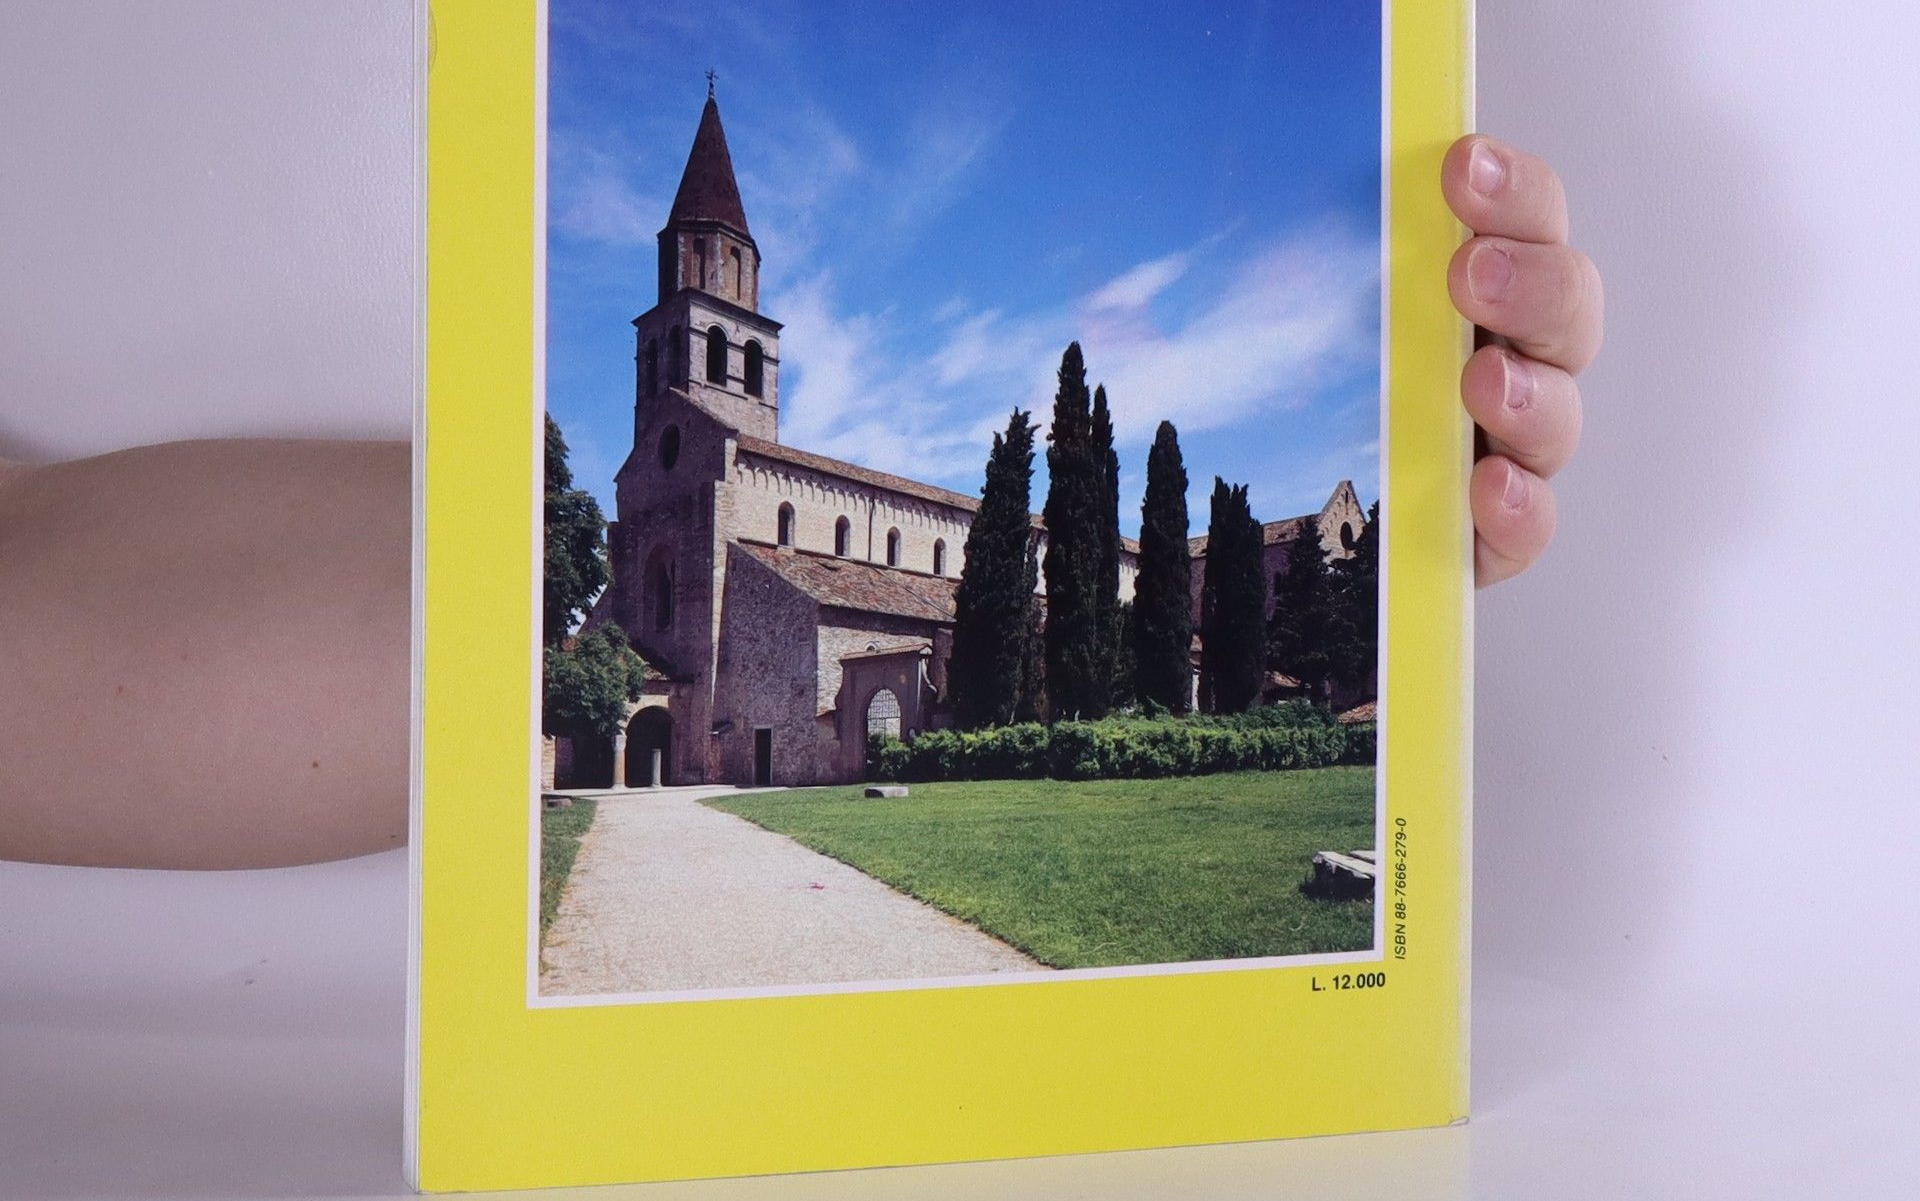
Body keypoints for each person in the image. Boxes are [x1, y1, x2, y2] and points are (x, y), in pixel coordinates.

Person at [0, 136, 1600, 871]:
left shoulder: (738, 463)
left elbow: (892, 574)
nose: (711, 350)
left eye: (725, 332)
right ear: (681, 325)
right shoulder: (646, 467)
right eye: (699, 331)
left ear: (741, 323)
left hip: (942, 591)